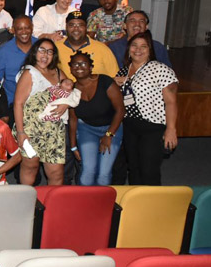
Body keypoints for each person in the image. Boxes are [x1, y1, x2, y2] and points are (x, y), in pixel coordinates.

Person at [114, 31, 178, 185]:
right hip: (130, 126)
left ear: (150, 50)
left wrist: (171, 129)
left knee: (149, 170)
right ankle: (137, 203)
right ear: (129, 49)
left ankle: (153, 206)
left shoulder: (160, 69)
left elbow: (171, 102)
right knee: (134, 169)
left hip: (153, 127)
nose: (138, 49)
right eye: (134, 46)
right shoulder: (123, 71)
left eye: (144, 46)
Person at [13, 39, 69, 186]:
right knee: (30, 167)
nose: (45, 55)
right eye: (42, 50)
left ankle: (53, 205)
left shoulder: (58, 72)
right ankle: (26, 204)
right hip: (31, 129)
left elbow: (72, 90)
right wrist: (20, 133)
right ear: (35, 52)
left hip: (55, 130)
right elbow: (18, 104)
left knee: (56, 172)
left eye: (50, 51)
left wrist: (66, 102)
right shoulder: (29, 73)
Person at [68, 51, 124, 186]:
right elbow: (73, 119)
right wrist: (73, 146)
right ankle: (85, 204)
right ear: (70, 68)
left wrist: (108, 135)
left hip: (112, 128)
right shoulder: (72, 90)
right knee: (88, 171)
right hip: (87, 129)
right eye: (75, 64)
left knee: (103, 173)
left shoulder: (105, 81)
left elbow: (120, 110)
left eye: (83, 63)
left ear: (91, 67)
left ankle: (102, 205)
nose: (79, 67)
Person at [0, 16, 37, 123]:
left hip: (38, 101)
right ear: (13, 30)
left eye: (27, 28)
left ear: (32, 28)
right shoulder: (5, 50)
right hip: (13, 102)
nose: (24, 31)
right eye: (19, 28)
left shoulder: (41, 46)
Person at [56, 11, 119, 81]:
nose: (76, 28)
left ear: (86, 27)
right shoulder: (56, 48)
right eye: (72, 25)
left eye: (80, 25)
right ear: (66, 27)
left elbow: (115, 78)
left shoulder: (102, 49)